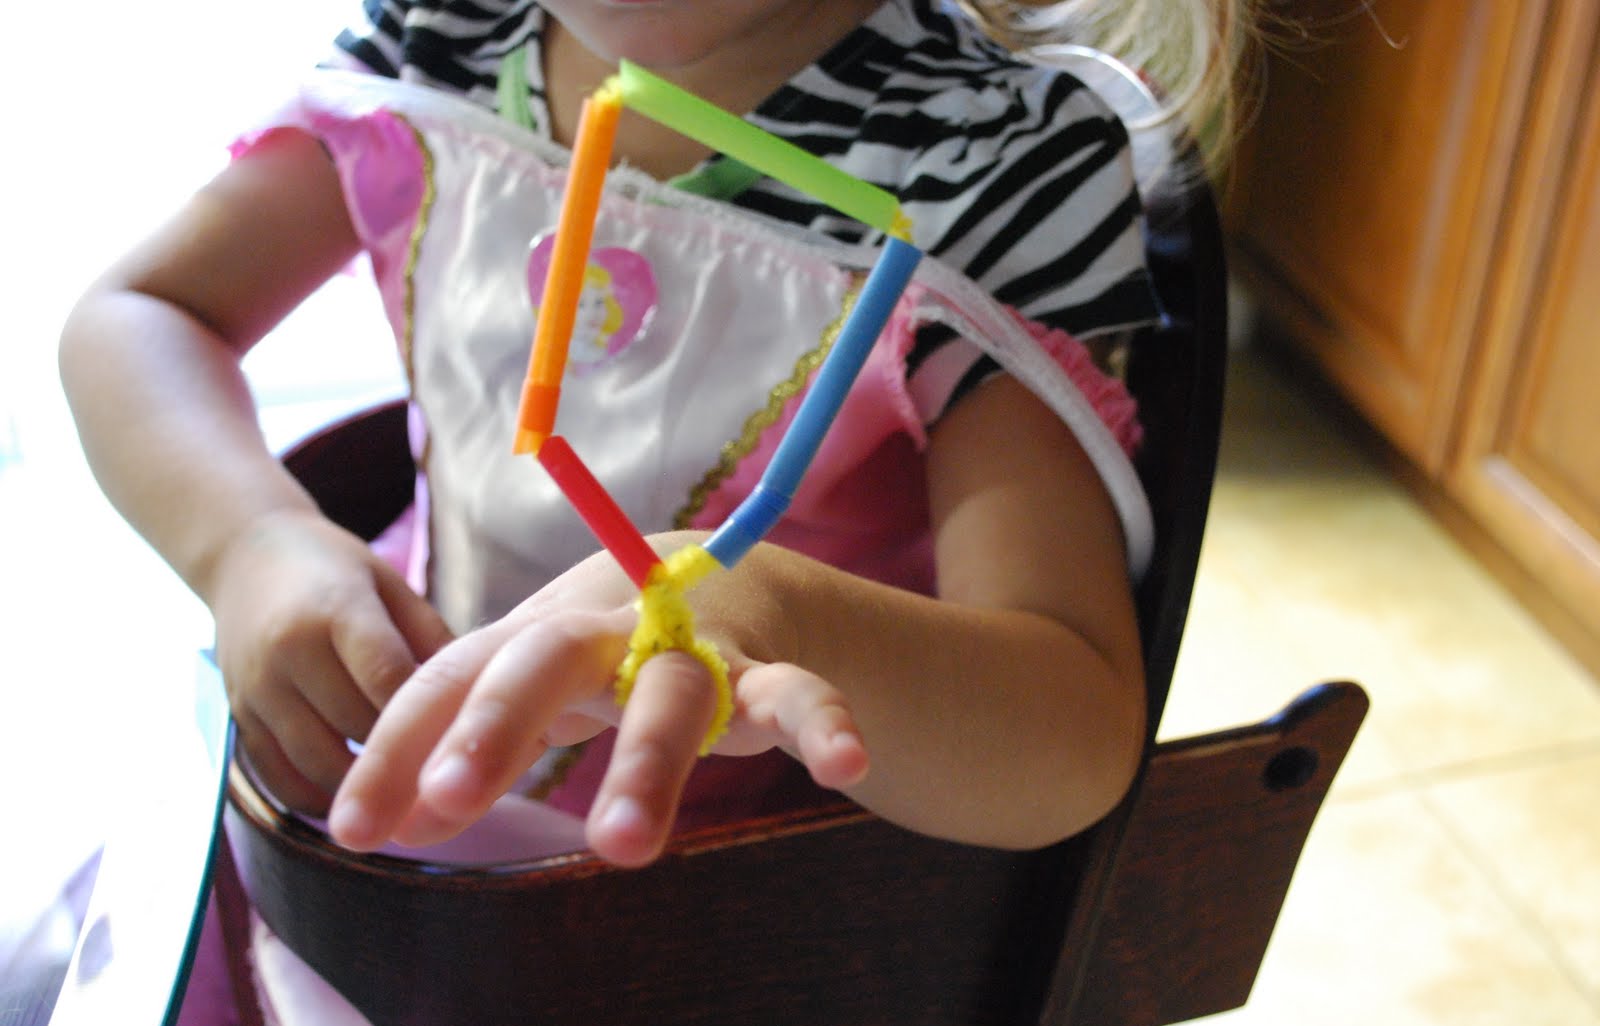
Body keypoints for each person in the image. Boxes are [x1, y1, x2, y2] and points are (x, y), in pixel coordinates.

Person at [58, 0, 1253, 869]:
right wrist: (250, 544)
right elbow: (138, 314)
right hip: (385, 836)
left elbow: (1069, 730)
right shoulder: (446, 37)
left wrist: (768, 610)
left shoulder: (988, 158)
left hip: (746, 926)